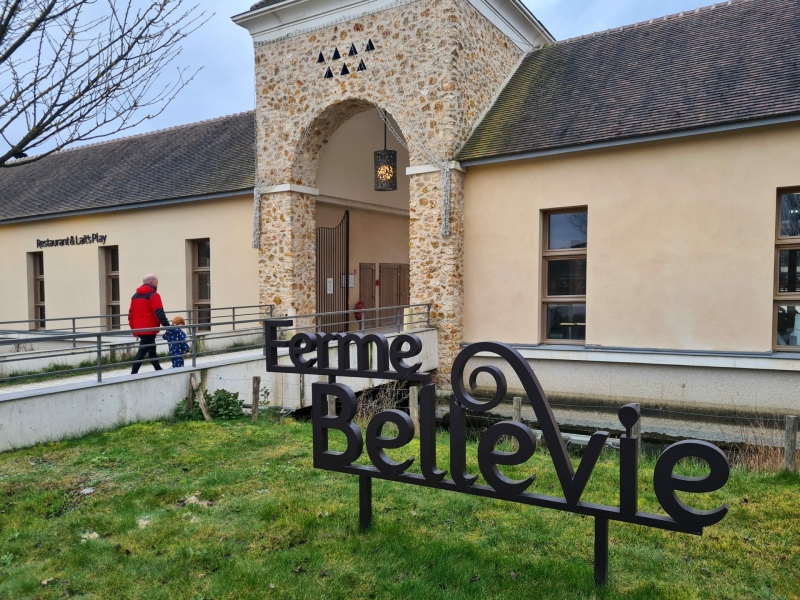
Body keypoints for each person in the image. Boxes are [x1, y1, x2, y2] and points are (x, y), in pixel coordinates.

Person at [127, 274, 170, 374]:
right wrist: (168, 326)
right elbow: (158, 312)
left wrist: (133, 328)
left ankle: (158, 369)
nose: (158, 283)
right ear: (153, 282)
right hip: (149, 328)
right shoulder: (154, 295)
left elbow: (131, 313)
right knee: (142, 351)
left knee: (151, 348)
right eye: (157, 281)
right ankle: (133, 374)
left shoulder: (135, 296)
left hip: (139, 328)